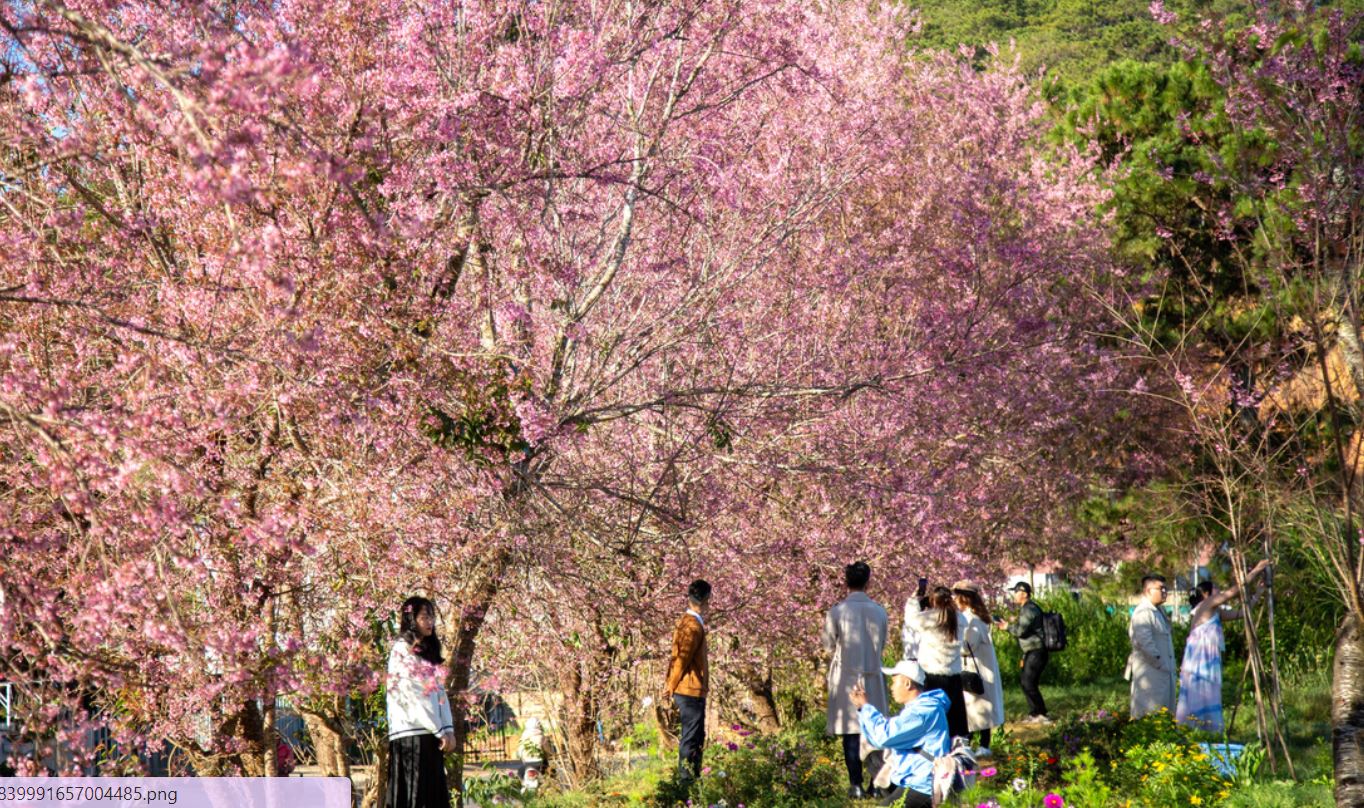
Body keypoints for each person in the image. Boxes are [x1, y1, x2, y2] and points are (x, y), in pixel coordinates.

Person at [1176, 560, 1271, 731]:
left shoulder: (1215, 611)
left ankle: (1207, 730)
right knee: (1199, 690)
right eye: (1215, 589)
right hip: (1199, 658)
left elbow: (1242, 613)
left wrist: (1258, 593)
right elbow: (1233, 592)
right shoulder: (1206, 605)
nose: (1219, 591)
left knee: (1209, 690)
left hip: (1208, 658)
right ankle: (1195, 728)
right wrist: (1256, 570)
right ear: (1206, 594)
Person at [823, 561, 889, 799]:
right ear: (868, 582)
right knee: (875, 729)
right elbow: (882, 643)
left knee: (851, 731)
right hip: (873, 674)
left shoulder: (837, 611)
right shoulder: (880, 611)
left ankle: (855, 784)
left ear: (845, 581)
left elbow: (829, 644)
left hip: (847, 676)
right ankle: (876, 782)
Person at [850, 659, 951, 808]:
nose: (891, 688)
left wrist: (865, 707)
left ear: (907, 684)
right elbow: (879, 739)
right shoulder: (922, 707)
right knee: (874, 759)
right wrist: (862, 709)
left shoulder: (921, 713)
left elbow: (883, 736)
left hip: (923, 785)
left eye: (894, 682)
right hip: (918, 779)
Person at [386, 596, 454, 808]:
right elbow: (413, 694)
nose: (430, 621)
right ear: (411, 619)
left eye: (431, 616)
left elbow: (439, 692)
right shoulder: (403, 649)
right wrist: (439, 729)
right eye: (424, 616)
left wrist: (448, 729)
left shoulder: (426, 652)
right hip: (412, 734)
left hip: (430, 734)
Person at [903, 585, 969, 739]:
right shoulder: (960, 618)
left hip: (931, 674)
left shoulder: (930, 618)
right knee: (955, 718)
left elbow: (910, 619)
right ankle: (958, 751)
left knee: (933, 717)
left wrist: (914, 599)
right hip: (953, 675)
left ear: (933, 601)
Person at [663, 579, 711, 780]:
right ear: (706, 600)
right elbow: (681, 660)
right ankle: (686, 782)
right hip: (689, 691)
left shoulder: (690, 622)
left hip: (691, 690)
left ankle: (692, 778)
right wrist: (670, 687)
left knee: (697, 736)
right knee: (691, 738)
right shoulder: (691, 625)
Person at [952, 581, 1004, 756]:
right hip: (978, 669)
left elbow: (967, 646)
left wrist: (950, 644)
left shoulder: (973, 619)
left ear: (964, 598)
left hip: (978, 670)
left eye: (956, 596)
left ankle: (983, 746)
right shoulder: (974, 616)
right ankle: (980, 744)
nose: (954, 599)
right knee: (977, 708)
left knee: (978, 707)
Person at [994, 581, 1049, 724]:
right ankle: (1036, 713)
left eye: (1016, 592)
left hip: (1036, 651)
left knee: (1028, 682)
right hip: (1031, 651)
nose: (1014, 595)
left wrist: (1007, 627)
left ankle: (1040, 713)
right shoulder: (1027, 608)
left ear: (1024, 594)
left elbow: (1020, 631)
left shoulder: (1029, 609)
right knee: (1027, 683)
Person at [1128, 574, 1176, 718]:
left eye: (1165, 588)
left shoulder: (1159, 610)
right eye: (1160, 588)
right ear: (1148, 590)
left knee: (1164, 713)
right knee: (1149, 713)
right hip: (1151, 673)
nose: (1164, 592)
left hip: (1163, 673)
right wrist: (1161, 664)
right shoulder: (1143, 612)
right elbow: (1145, 644)